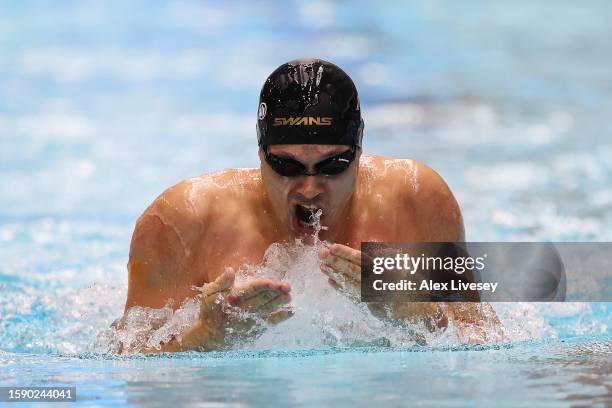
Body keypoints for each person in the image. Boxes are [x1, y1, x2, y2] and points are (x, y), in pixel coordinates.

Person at [119, 58, 502, 353]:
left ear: (359, 151)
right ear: (260, 152)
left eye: (333, 165)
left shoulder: (416, 199)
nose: (310, 187)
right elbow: (125, 360)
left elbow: (483, 337)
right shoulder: (183, 219)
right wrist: (205, 337)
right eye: (286, 166)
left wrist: (410, 312)